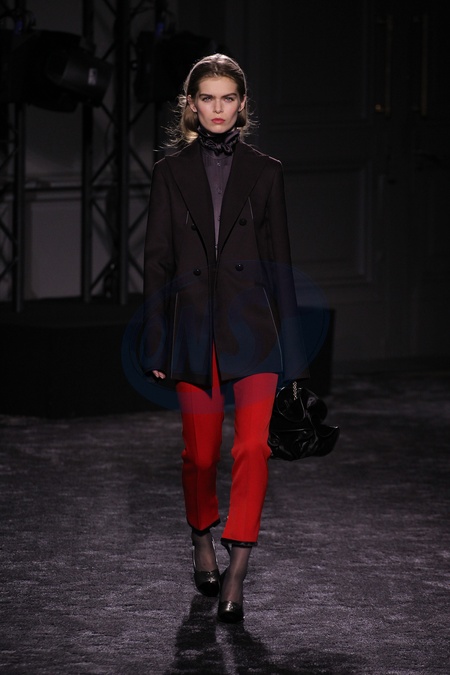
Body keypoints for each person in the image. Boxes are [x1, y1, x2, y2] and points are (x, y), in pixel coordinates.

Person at [143, 53, 307, 623]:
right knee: (200, 453)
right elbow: (157, 262)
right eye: (207, 98)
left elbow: (281, 263)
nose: (218, 109)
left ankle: (238, 566)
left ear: (242, 105)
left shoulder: (266, 171)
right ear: (191, 105)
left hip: (252, 328)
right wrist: (157, 340)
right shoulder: (169, 172)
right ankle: (201, 538)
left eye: (228, 98)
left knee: (253, 447)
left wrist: (295, 356)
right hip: (192, 329)